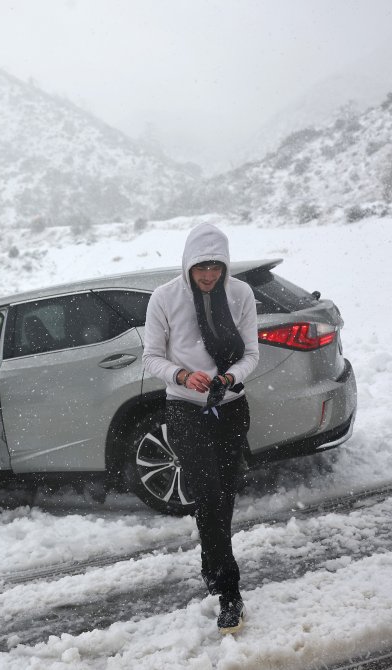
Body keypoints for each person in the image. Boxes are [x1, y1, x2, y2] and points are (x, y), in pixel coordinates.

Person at [142, 222, 259, 635]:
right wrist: (180, 375)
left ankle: (212, 562)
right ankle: (230, 592)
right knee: (207, 493)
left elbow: (251, 355)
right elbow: (151, 357)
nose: (208, 275)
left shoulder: (241, 295)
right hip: (186, 409)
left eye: (216, 267)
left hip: (230, 406)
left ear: (224, 265)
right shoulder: (165, 298)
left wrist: (228, 378)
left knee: (223, 494)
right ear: (188, 263)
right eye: (201, 267)